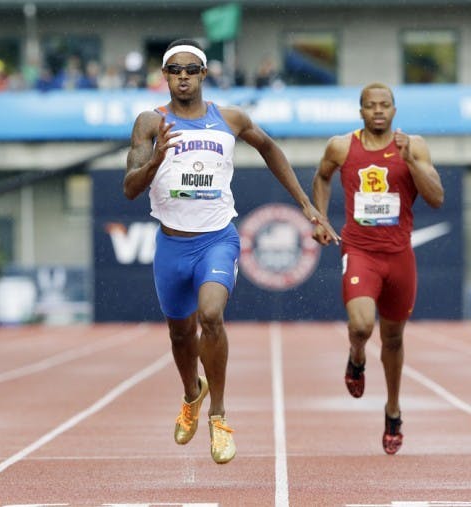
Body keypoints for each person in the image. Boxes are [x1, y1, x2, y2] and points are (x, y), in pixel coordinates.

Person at [124, 38, 337, 464]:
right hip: (171, 244)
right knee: (180, 334)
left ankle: (218, 417)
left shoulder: (231, 118)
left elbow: (271, 149)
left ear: (204, 74)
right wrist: (154, 161)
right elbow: (130, 188)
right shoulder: (151, 122)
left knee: (210, 316)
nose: (182, 77)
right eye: (174, 70)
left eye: (190, 69)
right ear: (164, 76)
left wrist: (306, 203)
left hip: (217, 239)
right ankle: (192, 393)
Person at [311, 82, 444, 455]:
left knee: (394, 339)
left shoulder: (413, 145)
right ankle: (356, 358)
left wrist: (412, 162)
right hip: (361, 251)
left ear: (395, 110)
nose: (379, 111)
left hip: (399, 255)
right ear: (361, 112)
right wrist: (321, 217)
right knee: (361, 325)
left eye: (385, 105)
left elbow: (436, 197)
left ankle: (393, 409)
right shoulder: (341, 146)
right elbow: (322, 176)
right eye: (371, 106)